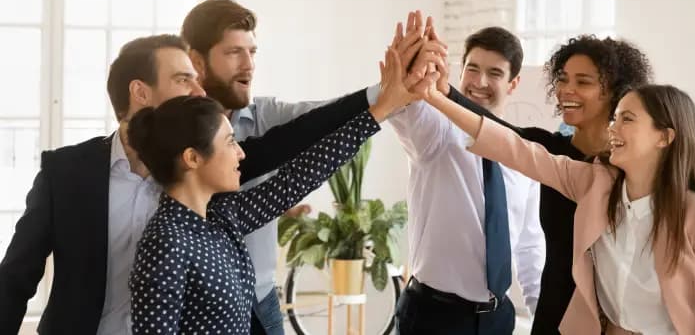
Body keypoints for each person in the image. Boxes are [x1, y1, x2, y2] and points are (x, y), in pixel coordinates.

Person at [0, 34, 406, 334]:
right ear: (141, 93)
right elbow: (16, 275)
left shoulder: (217, 203)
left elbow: (298, 154)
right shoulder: (69, 174)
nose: (199, 89)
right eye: (183, 80)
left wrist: (382, 103)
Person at [181, 0, 446, 335]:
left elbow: (319, 128)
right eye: (234, 52)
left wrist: (390, 92)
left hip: (260, 301)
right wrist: (385, 99)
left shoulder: (261, 126)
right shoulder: (174, 209)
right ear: (196, 61)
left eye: (252, 52)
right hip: (207, 312)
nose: (249, 65)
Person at [128, 48, 434, 334]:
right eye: (230, 142)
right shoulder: (166, 243)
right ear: (193, 158)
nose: (241, 153)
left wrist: (380, 110)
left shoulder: (222, 216)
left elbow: (299, 177)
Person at [418, 71, 695, 333]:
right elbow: (515, 149)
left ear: (664, 137)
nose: (613, 128)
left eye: (627, 119)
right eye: (614, 118)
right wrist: (436, 97)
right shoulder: (594, 183)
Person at [443, 35, 654, 334]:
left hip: (612, 323)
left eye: (583, 82)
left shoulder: (630, 168)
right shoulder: (549, 150)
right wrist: (441, 93)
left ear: (615, 92)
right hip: (552, 318)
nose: (567, 90)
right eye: (563, 79)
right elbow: (492, 130)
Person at [388, 21, 544, 335]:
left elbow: (528, 244)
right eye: (472, 69)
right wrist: (407, 75)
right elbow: (407, 114)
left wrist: (542, 315)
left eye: (495, 73)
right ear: (459, 72)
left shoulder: (522, 154)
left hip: (499, 319)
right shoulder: (436, 133)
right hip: (434, 317)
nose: (480, 82)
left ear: (513, 83)